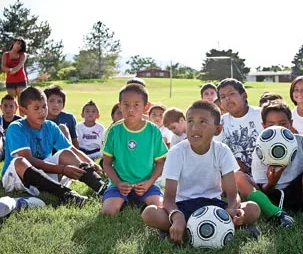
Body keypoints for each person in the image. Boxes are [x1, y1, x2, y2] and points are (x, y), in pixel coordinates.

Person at [141, 101, 261, 242]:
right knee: (149, 213)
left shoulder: (222, 151)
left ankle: (192, 228)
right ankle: (190, 226)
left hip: (214, 207)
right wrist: (176, 216)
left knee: (253, 208)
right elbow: (168, 199)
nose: (194, 127)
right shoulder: (176, 152)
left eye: (203, 122)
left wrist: (233, 209)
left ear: (217, 129)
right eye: (190, 121)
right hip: (184, 207)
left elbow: (232, 194)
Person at [1, 87, 107, 206]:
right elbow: (29, 160)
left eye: (44, 106)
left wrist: (90, 163)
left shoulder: (50, 126)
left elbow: (71, 149)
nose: (42, 111)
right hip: (17, 178)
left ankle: (103, 189)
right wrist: (62, 169)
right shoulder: (16, 127)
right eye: (36, 108)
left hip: (43, 175)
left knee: (66, 153)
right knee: (20, 161)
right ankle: (67, 195)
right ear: (23, 110)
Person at [102, 83, 168, 216]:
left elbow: (161, 162)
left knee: (160, 210)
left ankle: (138, 201)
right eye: (126, 105)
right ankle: (124, 200)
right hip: (119, 185)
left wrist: (149, 183)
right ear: (119, 106)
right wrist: (118, 183)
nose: (131, 109)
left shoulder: (153, 130)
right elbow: (107, 164)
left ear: (146, 107)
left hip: (146, 185)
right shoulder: (114, 130)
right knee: (108, 212)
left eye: (136, 105)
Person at [216, 78, 263, 176]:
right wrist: (233, 162)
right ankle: (258, 192)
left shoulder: (261, 114)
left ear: (244, 95)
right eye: (223, 96)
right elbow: (216, 150)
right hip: (236, 175)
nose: (227, 98)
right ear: (221, 104)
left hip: (264, 172)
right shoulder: (220, 122)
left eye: (231, 94)